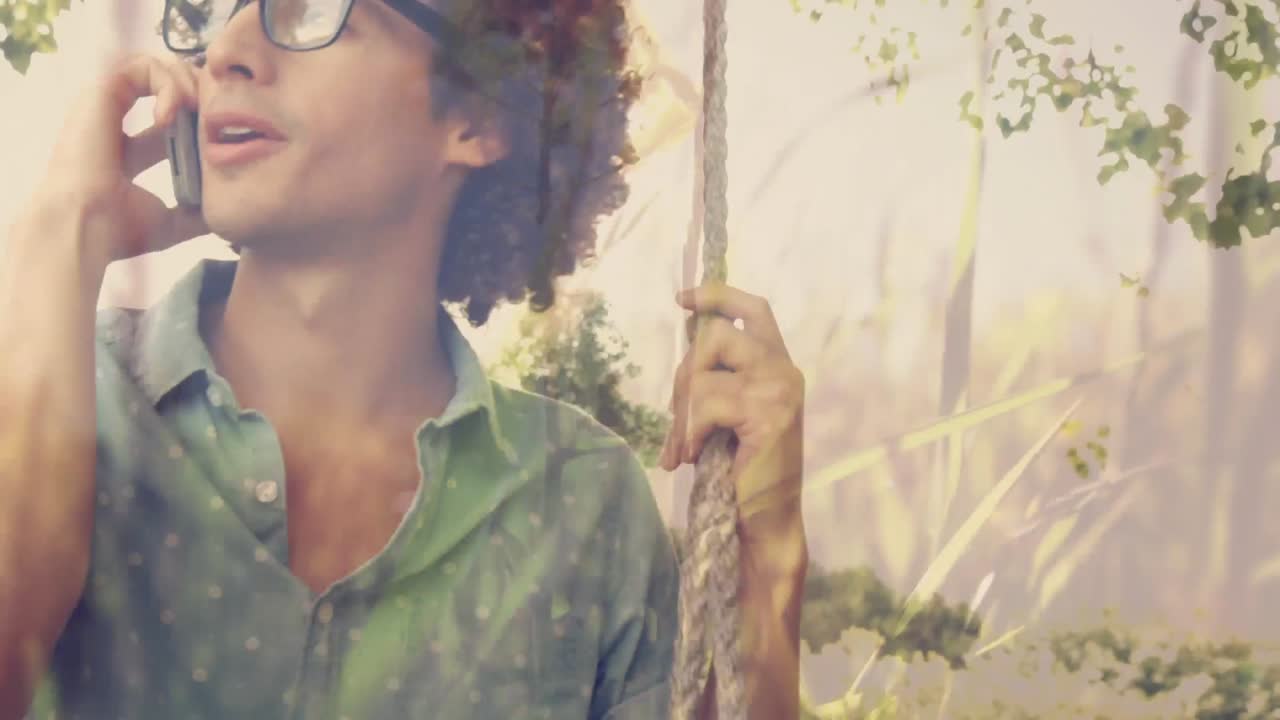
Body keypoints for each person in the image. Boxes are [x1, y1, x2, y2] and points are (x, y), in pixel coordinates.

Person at [0, 0, 807, 718]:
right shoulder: (60, 381)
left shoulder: (586, 505)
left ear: (480, 114)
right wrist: (57, 236)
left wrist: (768, 569)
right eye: (218, 7)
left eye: (311, 9)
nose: (226, 51)